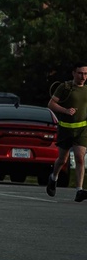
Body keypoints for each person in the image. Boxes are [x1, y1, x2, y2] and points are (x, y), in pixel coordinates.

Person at [45, 63, 87, 201]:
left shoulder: (86, 89)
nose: (83, 76)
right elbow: (51, 104)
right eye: (80, 73)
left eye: (85, 74)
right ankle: (53, 177)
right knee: (62, 160)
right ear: (74, 73)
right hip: (65, 129)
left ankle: (79, 190)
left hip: (81, 130)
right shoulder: (65, 87)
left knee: (80, 158)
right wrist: (65, 111)